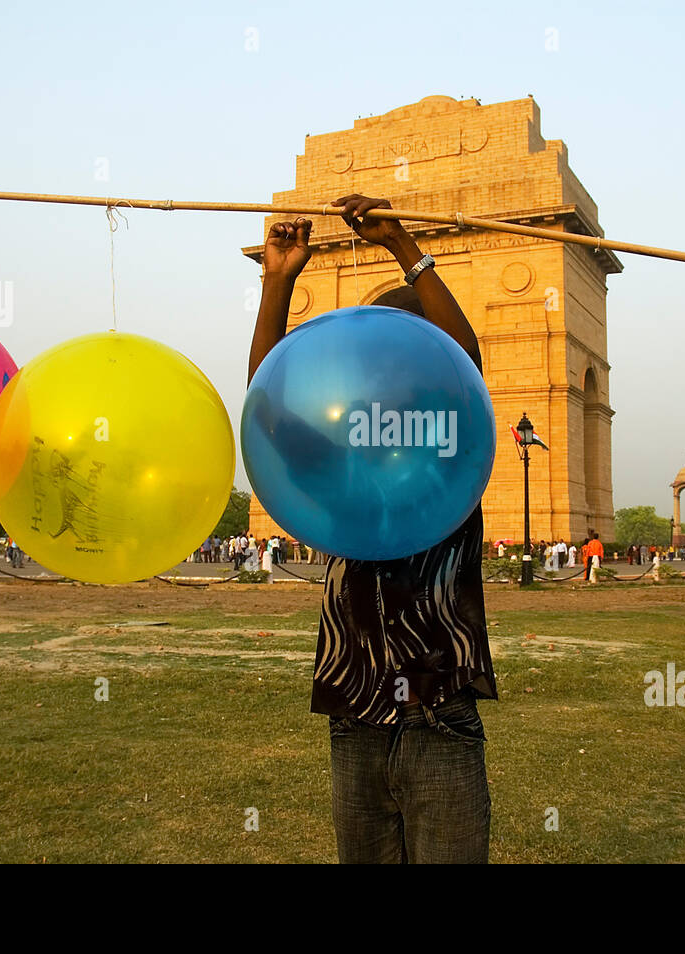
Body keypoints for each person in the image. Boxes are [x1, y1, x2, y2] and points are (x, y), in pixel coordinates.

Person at [248, 194, 496, 863]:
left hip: (437, 712)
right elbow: (267, 408)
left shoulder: (451, 452)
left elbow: (465, 360)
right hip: (352, 713)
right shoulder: (341, 464)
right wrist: (278, 280)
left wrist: (404, 248)